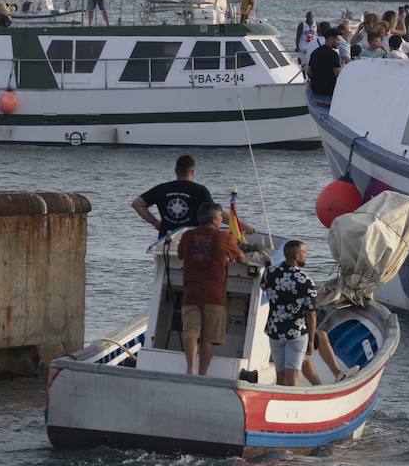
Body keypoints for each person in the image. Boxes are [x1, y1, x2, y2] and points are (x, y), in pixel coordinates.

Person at [177, 202, 248, 376]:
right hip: (214, 295)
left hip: (191, 292)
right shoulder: (225, 237)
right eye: (220, 218)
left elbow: (180, 254)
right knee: (209, 338)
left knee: (191, 330)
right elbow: (242, 260)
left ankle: (190, 367)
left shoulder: (187, 236)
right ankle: (202, 373)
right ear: (216, 219)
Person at [260, 239, 320, 387]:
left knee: (280, 377)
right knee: (292, 378)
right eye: (305, 253)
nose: (307, 255)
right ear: (297, 257)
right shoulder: (306, 282)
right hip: (296, 333)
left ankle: (279, 402)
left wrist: (268, 264)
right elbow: (311, 314)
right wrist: (311, 341)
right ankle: (291, 407)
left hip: (274, 331)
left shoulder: (271, 273)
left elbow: (263, 284)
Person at [132, 155, 214, 236]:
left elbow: (137, 204)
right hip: (191, 241)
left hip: (166, 239)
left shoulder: (161, 188)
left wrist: (155, 223)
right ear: (192, 172)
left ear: (175, 170)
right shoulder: (200, 190)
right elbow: (215, 213)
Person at [307, 27, 343, 96]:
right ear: (331, 39)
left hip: (315, 88)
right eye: (338, 40)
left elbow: (308, 72)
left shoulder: (315, 52)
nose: (339, 43)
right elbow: (338, 73)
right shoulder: (333, 54)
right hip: (329, 90)